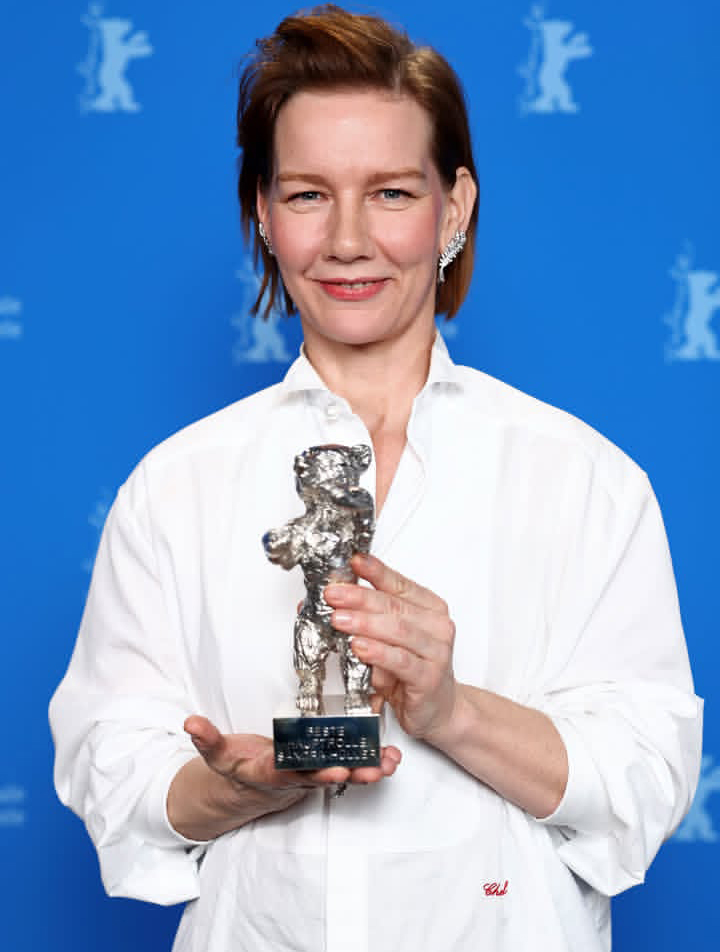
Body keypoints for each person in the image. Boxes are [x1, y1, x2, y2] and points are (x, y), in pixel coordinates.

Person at [49, 6, 703, 951]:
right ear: (264, 213)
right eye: (308, 194)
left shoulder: (586, 480)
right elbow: (111, 767)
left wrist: (451, 710)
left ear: (455, 207)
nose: (347, 239)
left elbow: (647, 779)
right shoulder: (175, 486)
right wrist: (237, 788)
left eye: (392, 192)